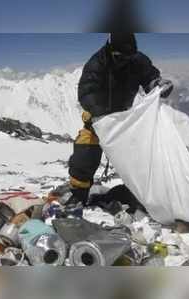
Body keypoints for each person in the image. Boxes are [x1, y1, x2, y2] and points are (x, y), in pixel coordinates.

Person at [67, 33, 173, 209]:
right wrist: (101, 115)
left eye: (128, 56)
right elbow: (86, 92)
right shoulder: (97, 64)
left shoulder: (137, 60)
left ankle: (140, 193)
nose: (124, 60)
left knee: (139, 156)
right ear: (110, 50)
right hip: (97, 119)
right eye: (120, 57)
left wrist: (157, 85)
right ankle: (79, 194)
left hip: (125, 120)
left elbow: (149, 77)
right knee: (85, 152)